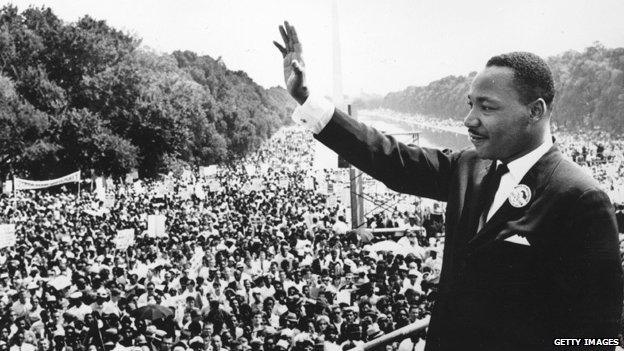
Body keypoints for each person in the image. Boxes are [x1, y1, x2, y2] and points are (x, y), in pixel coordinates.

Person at [274, 21, 623, 350]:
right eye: (471, 104)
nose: (469, 120)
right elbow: (388, 158)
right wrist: (307, 98)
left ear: (535, 111)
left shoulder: (580, 198)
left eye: (486, 107)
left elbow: (598, 338)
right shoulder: (469, 166)